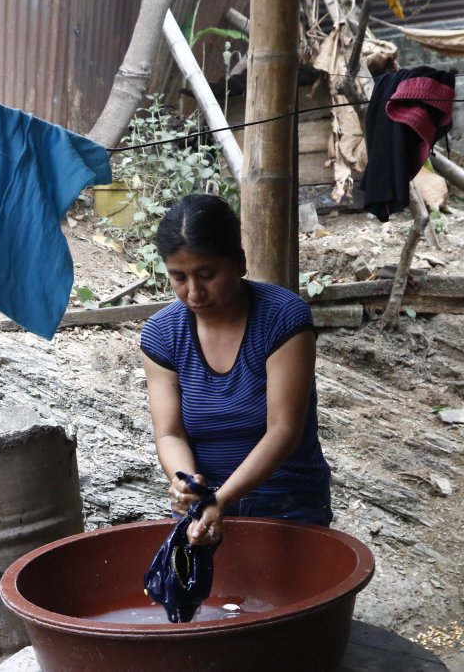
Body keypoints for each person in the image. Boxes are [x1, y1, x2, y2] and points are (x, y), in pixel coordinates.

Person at [140, 194, 333, 546]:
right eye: (179, 277)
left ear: (239, 263)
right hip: (204, 505)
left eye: (207, 275)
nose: (194, 292)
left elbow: (283, 431)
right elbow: (169, 434)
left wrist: (223, 498)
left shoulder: (283, 319)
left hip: (288, 502)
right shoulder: (162, 334)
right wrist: (187, 485)